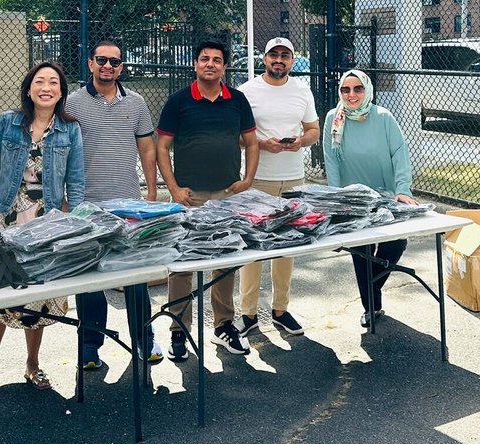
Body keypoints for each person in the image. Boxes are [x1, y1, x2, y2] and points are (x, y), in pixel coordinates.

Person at [0, 60, 85, 401]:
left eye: (53, 83)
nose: (46, 88)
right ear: (29, 88)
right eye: (40, 82)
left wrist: (74, 224)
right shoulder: (8, 122)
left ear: (61, 92)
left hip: (47, 223)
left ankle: (33, 364)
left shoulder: (70, 129)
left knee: (39, 298)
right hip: (7, 217)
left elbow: (75, 180)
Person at [157, 40, 259, 360]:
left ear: (225, 67)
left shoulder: (237, 100)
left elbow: (252, 143)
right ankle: (178, 330)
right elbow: (162, 148)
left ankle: (224, 325)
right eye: (204, 59)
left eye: (217, 60)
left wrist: (247, 181)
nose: (210, 64)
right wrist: (173, 189)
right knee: (183, 264)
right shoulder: (179, 102)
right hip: (190, 196)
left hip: (227, 195)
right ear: (195, 65)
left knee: (225, 261)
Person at [65, 39, 163, 370]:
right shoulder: (72, 104)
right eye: (102, 60)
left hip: (128, 204)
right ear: (90, 63)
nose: (108, 66)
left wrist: (151, 191)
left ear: (122, 67)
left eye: (115, 62)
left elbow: (148, 148)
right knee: (89, 278)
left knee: (135, 275)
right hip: (86, 206)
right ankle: (90, 345)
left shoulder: (135, 102)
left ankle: (144, 338)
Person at [321, 69, 419, 327]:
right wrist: (336, 197)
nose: (351, 95)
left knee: (396, 244)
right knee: (361, 252)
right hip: (352, 199)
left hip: (386, 195)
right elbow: (331, 161)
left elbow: (400, 155)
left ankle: (371, 288)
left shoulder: (384, 118)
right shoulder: (334, 118)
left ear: (367, 90)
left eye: (357, 89)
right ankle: (371, 307)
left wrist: (402, 190)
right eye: (345, 89)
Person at [236, 36, 319, 337]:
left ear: (292, 61)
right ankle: (247, 314)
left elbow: (313, 130)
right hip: (258, 179)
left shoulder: (302, 90)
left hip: (294, 178)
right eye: (274, 55)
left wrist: (300, 141)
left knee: (288, 246)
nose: (279, 60)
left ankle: (280, 309)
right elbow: (237, 135)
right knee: (254, 245)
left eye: (285, 55)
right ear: (264, 58)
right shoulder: (247, 91)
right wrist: (262, 145)